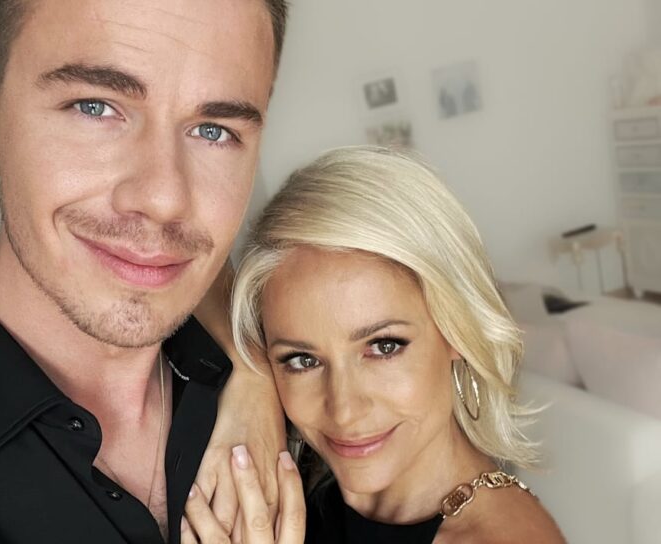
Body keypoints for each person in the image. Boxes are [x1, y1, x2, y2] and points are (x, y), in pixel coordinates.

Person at [0, 1, 297, 543]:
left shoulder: (318, 395)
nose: (163, 198)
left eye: (213, 131)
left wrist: (253, 369)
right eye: (95, 107)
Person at [187, 146, 566, 542]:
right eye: (302, 360)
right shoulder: (301, 492)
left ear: (456, 330)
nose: (345, 411)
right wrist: (246, 374)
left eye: (384, 347)